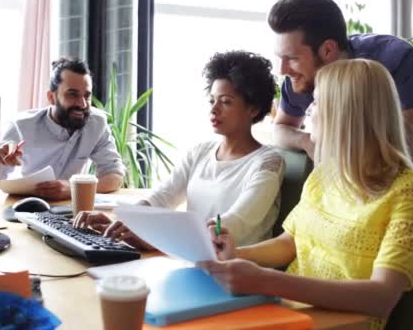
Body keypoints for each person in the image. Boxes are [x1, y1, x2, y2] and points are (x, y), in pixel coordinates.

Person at [199, 59, 413, 330]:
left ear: (345, 113)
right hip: (287, 313)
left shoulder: (410, 193)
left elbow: (381, 297)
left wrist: (264, 280)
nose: (309, 109)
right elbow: (291, 243)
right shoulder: (325, 174)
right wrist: (237, 254)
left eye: (318, 101)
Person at [74, 50, 286, 248]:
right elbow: (162, 197)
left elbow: (230, 225)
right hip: (195, 263)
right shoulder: (200, 152)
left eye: (226, 102)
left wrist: (151, 237)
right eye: (212, 100)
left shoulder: (268, 163)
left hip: (240, 275)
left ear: (254, 108)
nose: (214, 109)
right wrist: (121, 220)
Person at [270, 0, 413, 182]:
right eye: (281, 57)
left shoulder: (395, 59)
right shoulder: (298, 78)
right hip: (358, 173)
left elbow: (403, 152)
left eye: (293, 58)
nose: (282, 69)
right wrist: (307, 142)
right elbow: (280, 128)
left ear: (328, 49)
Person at [0, 58, 125, 200]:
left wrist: (72, 189)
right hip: (28, 205)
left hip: (72, 209)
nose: (82, 104)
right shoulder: (21, 126)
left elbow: (115, 175)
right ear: (51, 97)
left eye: (87, 96)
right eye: (72, 94)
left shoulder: (96, 123)